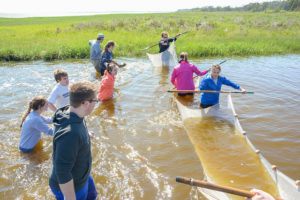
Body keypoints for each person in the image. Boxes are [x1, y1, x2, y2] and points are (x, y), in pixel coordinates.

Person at [49, 81, 98, 200]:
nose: (96, 103)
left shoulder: (73, 112)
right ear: (86, 103)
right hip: (72, 187)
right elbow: (62, 172)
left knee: (92, 196)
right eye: (96, 101)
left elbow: (75, 134)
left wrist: (85, 135)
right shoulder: (71, 133)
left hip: (83, 175)